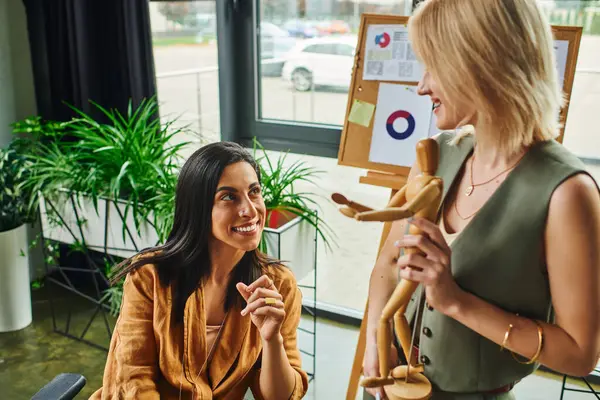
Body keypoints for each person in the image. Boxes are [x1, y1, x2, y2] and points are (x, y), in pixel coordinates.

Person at [362, 0, 600, 399]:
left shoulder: (568, 194)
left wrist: (456, 302)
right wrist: (374, 339)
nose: (421, 86)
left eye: (433, 67)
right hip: (392, 384)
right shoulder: (434, 154)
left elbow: (579, 354)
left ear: (479, 65)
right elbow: (388, 262)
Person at [90, 142, 309, 399]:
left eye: (254, 192)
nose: (250, 210)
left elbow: (281, 396)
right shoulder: (150, 276)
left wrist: (272, 340)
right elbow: (133, 378)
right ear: (199, 208)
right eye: (229, 197)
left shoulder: (278, 285)